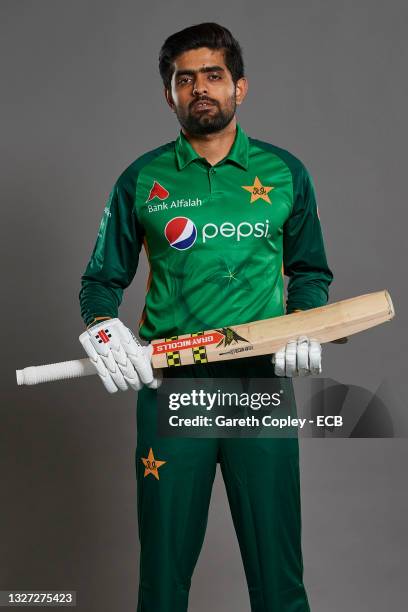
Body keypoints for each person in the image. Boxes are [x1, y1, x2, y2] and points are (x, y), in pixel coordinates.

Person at [78, 22, 333, 612]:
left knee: (279, 578)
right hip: (172, 386)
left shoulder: (284, 172)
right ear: (169, 94)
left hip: (258, 387)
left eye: (213, 76)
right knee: (163, 578)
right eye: (184, 79)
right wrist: (102, 326)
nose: (199, 89)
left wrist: (306, 324)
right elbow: (99, 280)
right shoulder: (141, 179)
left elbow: (311, 272)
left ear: (240, 87)